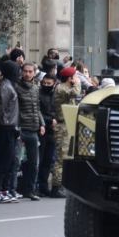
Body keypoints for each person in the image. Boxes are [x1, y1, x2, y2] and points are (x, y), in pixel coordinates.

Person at [15, 62, 45, 200]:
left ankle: (30, 190)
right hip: (21, 128)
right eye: (25, 71)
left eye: (30, 71)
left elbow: (37, 108)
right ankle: (13, 189)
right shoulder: (16, 87)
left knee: (34, 163)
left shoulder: (36, 88)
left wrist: (42, 124)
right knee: (17, 161)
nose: (27, 74)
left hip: (33, 129)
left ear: (34, 73)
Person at [0, 60, 21, 203]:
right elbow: (0, 109)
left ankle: (4, 189)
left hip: (10, 127)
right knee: (4, 160)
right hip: (5, 128)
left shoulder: (9, 85)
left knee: (9, 160)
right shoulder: (5, 87)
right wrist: (5, 124)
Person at [51, 67, 80, 198]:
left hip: (68, 124)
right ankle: (57, 186)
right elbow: (75, 93)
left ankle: (64, 185)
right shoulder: (61, 88)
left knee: (68, 157)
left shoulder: (65, 87)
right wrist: (78, 83)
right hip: (62, 126)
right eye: (74, 76)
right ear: (70, 78)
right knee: (62, 158)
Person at [37, 74, 57, 196]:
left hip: (52, 130)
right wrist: (50, 120)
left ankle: (43, 186)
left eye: (49, 84)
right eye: (44, 83)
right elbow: (37, 111)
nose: (46, 85)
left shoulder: (55, 95)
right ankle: (36, 186)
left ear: (54, 84)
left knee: (48, 160)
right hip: (42, 129)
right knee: (40, 159)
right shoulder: (39, 94)